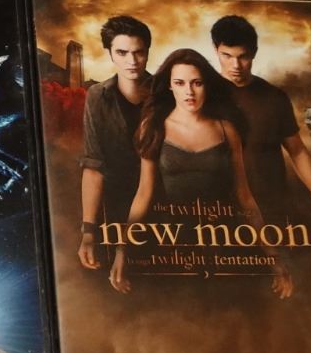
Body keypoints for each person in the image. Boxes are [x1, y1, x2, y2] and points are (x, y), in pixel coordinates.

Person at [109, 48, 294, 299]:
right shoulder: (153, 128)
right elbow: (144, 194)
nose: (189, 91)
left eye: (197, 83)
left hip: (225, 241)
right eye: (180, 83)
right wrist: (121, 251)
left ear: (206, 85)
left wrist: (273, 257)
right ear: (169, 86)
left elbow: (244, 196)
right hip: (173, 243)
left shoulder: (226, 130)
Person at [210, 15, 311, 226]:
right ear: (216, 50)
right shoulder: (202, 94)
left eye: (243, 56)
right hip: (220, 211)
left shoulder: (274, 97)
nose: (236, 65)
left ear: (254, 52)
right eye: (227, 56)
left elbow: (297, 151)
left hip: (273, 205)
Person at [77, 15, 153, 275]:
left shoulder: (167, 93)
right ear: (110, 53)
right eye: (122, 52)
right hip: (115, 208)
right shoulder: (97, 96)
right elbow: (93, 166)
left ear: (147, 52)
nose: (132, 61)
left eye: (138, 52)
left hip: (165, 208)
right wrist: (88, 231)